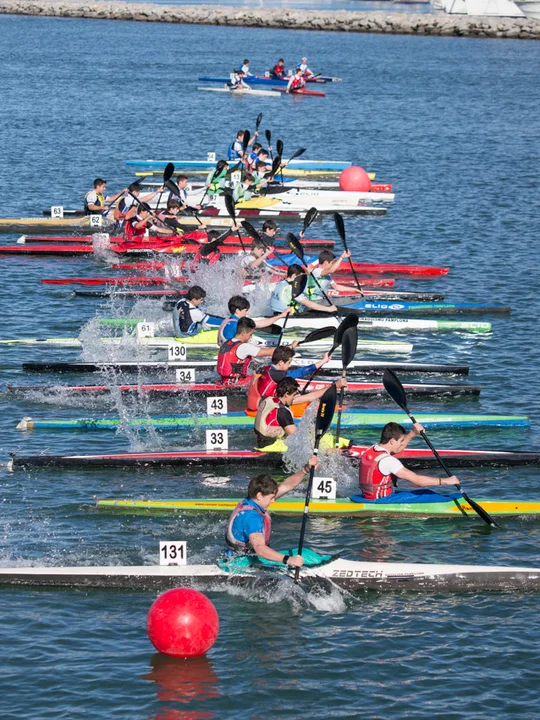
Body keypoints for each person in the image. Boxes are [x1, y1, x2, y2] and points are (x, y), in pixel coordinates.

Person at [225, 455, 320, 567]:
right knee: (305, 556)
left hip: (243, 556)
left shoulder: (252, 501)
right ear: (259, 495)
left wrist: (306, 469)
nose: (274, 501)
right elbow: (260, 549)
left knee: (304, 553)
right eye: (271, 498)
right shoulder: (252, 517)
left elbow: (287, 486)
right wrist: (288, 560)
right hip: (242, 563)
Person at [359, 422, 460, 500]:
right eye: (401, 441)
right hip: (382, 500)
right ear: (392, 441)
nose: (401, 444)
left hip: (368, 497)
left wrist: (413, 433)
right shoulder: (389, 461)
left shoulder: (371, 450)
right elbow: (418, 481)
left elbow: (396, 450)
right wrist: (446, 481)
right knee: (428, 494)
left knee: (422, 492)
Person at [254, 376, 347, 451]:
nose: (295, 398)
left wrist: (335, 386)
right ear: (286, 394)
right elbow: (298, 440)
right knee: (311, 441)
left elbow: (311, 396)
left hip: (263, 441)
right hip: (272, 446)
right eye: (294, 395)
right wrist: (326, 451)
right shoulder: (282, 412)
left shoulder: (272, 399)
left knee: (311, 435)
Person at [246, 345, 331, 415]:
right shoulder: (278, 375)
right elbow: (301, 372)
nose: (290, 365)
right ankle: (333, 388)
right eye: (289, 363)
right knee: (307, 397)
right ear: (281, 362)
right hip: (268, 406)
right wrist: (323, 361)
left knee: (293, 393)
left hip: (260, 402)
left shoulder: (265, 368)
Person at [216, 317, 275, 384]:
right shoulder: (243, 347)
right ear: (243, 333)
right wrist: (284, 350)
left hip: (224, 381)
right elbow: (269, 352)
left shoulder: (226, 343)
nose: (251, 337)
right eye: (250, 334)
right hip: (237, 384)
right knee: (266, 377)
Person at [218, 295, 289, 345]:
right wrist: (281, 315)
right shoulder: (239, 324)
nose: (247, 313)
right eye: (246, 310)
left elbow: (260, 323)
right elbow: (261, 324)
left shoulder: (225, 321)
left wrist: (280, 316)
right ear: (237, 310)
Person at [270, 264, 338, 315]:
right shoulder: (294, 289)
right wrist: (329, 309)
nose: (302, 280)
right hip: (288, 317)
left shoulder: (280, 283)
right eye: (301, 277)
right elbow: (310, 304)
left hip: (275, 313)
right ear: (294, 276)